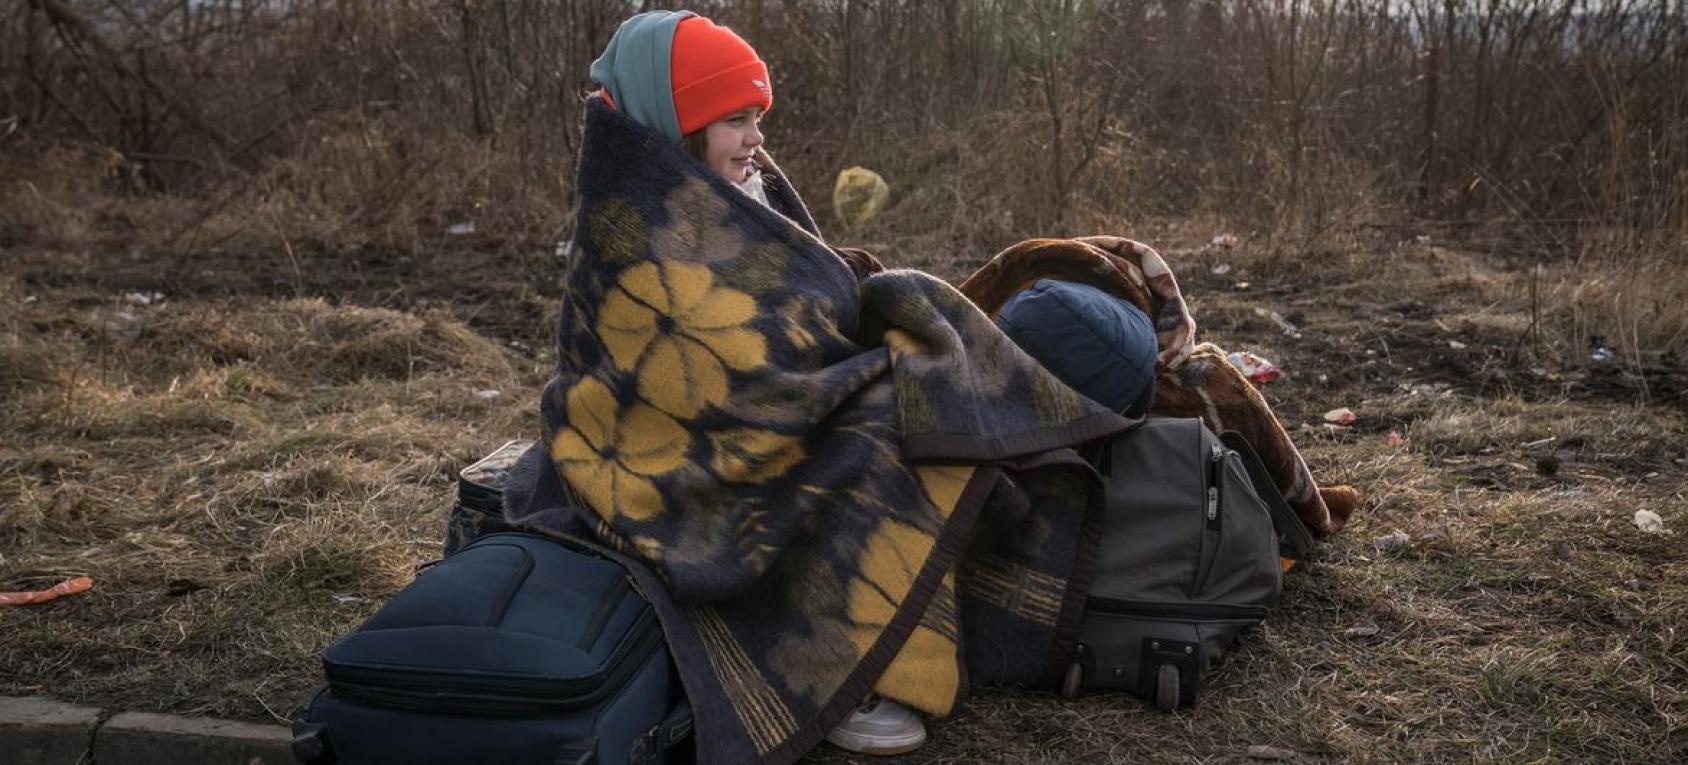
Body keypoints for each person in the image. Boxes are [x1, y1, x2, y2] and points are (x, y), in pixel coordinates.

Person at [583, 10, 926, 755]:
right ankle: (820, 671)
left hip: (762, 403)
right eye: (734, 119)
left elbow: (800, 284)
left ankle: (900, 635)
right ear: (676, 124)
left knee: (924, 392)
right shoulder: (632, 221)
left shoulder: (741, 190)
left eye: (757, 117)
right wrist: (839, 376)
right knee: (858, 438)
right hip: (668, 458)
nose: (755, 138)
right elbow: (688, 368)